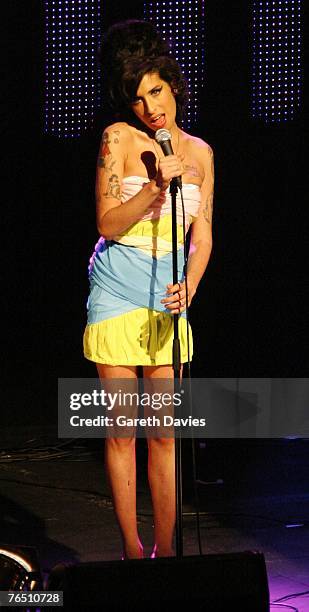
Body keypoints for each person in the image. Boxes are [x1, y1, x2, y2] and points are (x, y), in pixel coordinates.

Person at [83, 19, 214, 560]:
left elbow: (203, 234)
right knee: (123, 433)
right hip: (117, 291)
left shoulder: (201, 154)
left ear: (174, 85)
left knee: (163, 434)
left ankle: (166, 554)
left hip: (167, 299)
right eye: (137, 98)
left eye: (156, 91)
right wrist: (157, 184)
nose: (150, 107)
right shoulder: (119, 139)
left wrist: (192, 286)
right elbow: (108, 223)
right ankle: (132, 555)